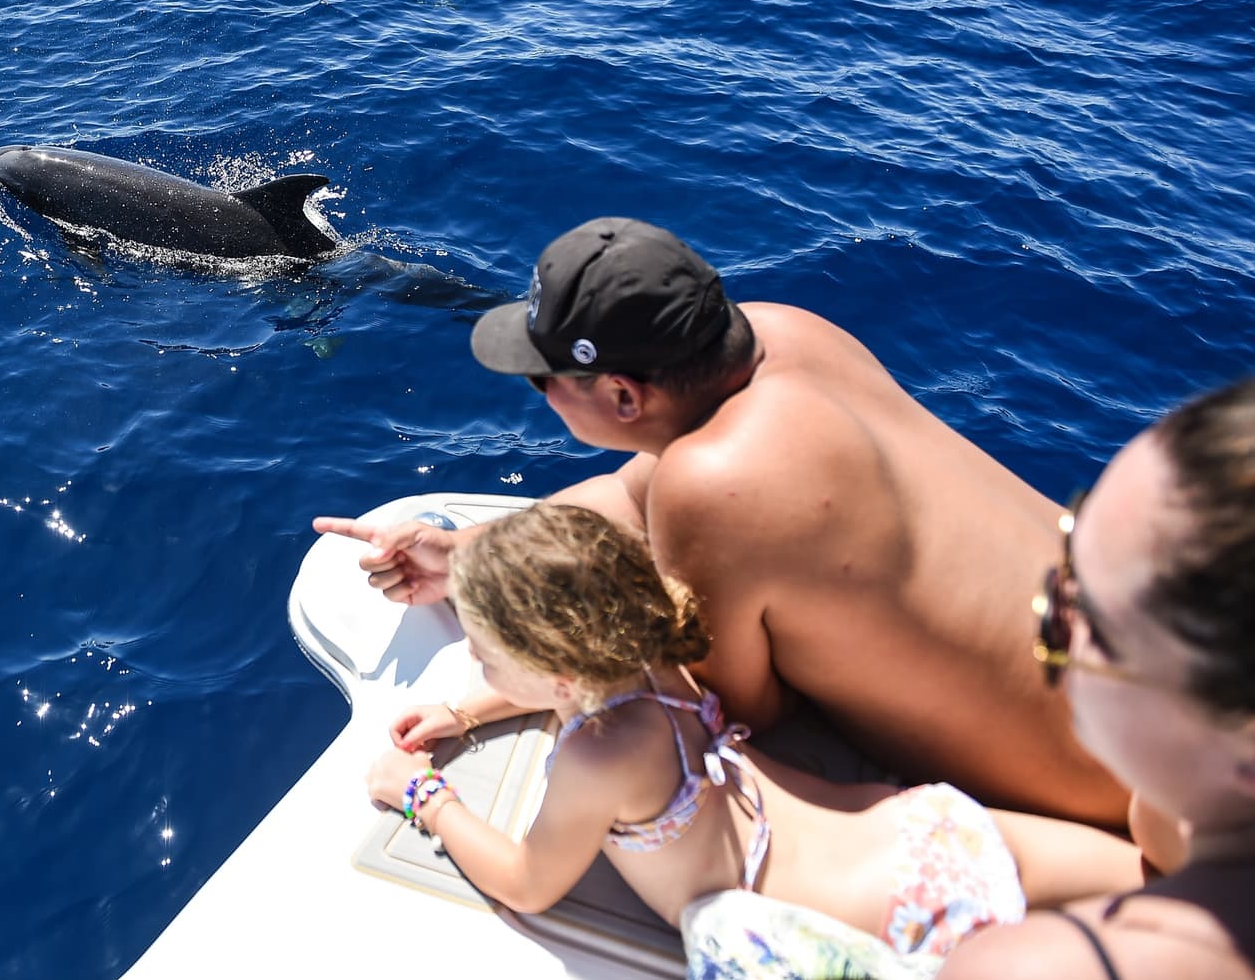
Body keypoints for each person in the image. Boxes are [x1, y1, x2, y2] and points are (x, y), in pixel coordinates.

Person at [319, 218, 1127, 828]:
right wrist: (466, 553)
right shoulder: (786, 334)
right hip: (1159, 673)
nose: (536, 391)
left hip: (1120, 792)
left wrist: (482, 706)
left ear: (625, 397)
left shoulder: (715, 484)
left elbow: (736, 712)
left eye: (543, 380)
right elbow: (633, 494)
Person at [365, 502, 1140, 970]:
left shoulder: (599, 755)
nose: (473, 655)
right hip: (922, 830)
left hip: (865, 920)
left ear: (561, 671)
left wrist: (423, 796)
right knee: (1184, 903)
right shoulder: (652, 648)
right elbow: (565, 678)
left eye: (488, 650)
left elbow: (529, 882)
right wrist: (470, 710)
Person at [938, 377, 1255, 979]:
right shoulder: (1180, 810)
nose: (1045, 614)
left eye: (1090, 628)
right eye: (1068, 548)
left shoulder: (1041, 969)